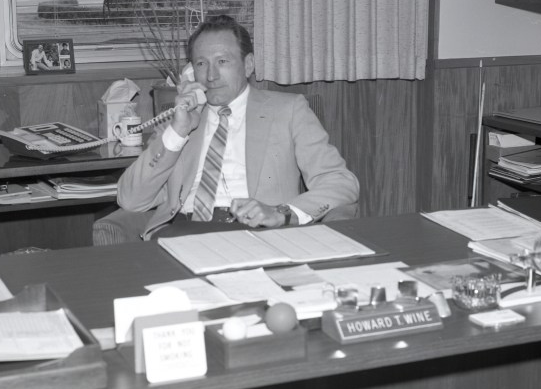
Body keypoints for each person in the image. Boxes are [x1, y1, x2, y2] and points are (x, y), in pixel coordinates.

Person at [117, 14, 359, 239]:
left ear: (249, 64)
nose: (211, 76)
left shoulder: (289, 110)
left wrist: (282, 212)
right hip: (183, 231)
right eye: (201, 64)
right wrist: (178, 132)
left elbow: (340, 182)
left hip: (259, 232)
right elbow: (130, 200)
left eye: (222, 61)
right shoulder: (178, 121)